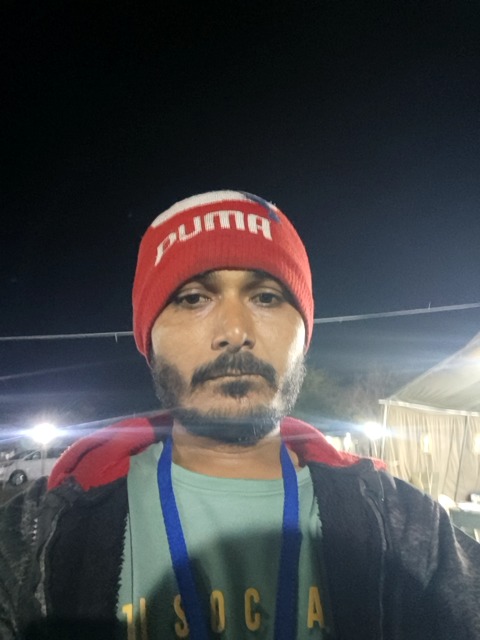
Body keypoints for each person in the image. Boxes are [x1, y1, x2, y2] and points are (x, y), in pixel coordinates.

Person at [0, 190, 479, 640]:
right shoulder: (37, 537)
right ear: (148, 338)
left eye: (266, 297)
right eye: (193, 298)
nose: (234, 331)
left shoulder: (408, 529)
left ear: (304, 333)